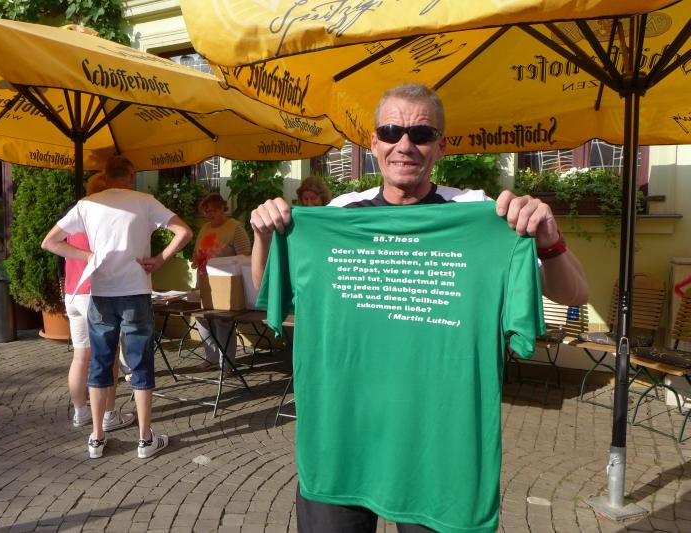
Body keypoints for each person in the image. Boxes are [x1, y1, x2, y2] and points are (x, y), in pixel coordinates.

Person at [250, 84, 589, 532]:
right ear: (374, 143)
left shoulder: (481, 216)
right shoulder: (340, 214)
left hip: (437, 452)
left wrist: (548, 238)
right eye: (391, 131)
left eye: (421, 134)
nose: (404, 145)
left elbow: (574, 294)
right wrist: (264, 236)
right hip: (342, 440)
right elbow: (271, 293)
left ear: (441, 146)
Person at [42, 156, 192, 460]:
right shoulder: (145, 201)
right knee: (140, 363)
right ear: (132, 176)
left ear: (105, 175)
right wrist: (160, 259)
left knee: (100, 363)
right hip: (135, 291)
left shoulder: (87, 204)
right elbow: (184, 232)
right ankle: (145, 439)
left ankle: (97, 437)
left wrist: (87, 256)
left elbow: (50, 242)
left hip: (101, 294)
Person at [58, 172, 134, 432]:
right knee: (108, 359)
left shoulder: (76, 215)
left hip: (73, 293)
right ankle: (108, 415)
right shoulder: (101, 218)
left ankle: (80, 412)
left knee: (80, 357)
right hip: (95, 293)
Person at [191, 192, 251, 372]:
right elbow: (197, 251)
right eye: (206, 212)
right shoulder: (205, 228)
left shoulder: (235, 227)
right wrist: (196, 259)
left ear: (222, 209)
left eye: (213, 211)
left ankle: (227, 364)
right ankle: (211, 357)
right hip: (204, 280)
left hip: (226, 282)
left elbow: (245, 256)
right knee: (201, 317)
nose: (209, 215)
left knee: (222, 321)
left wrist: (221, 262)